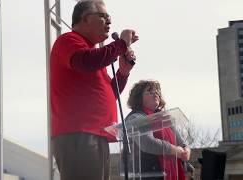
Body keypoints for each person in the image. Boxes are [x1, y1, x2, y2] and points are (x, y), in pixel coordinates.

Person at [50, 0, 138, 180]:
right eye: (104, 17)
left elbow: (107, 94)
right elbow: (86, 62)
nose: (109, 22)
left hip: (95, 135)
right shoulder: (68, 40)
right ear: (85, 18)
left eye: (109, 18)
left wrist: (122, 73)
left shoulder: (93, 53)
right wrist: (120, 44)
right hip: (79, 134)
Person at [125, 80, 191, 180]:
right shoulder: (135, 117)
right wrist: (174, 150)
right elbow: (148, 143)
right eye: (150, 91)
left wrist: (186, 151)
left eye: (157, 92)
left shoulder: (165, 119)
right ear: (139, 97)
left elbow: (181, 143)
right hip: (148, 174)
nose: (155, 93)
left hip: (172, 173)